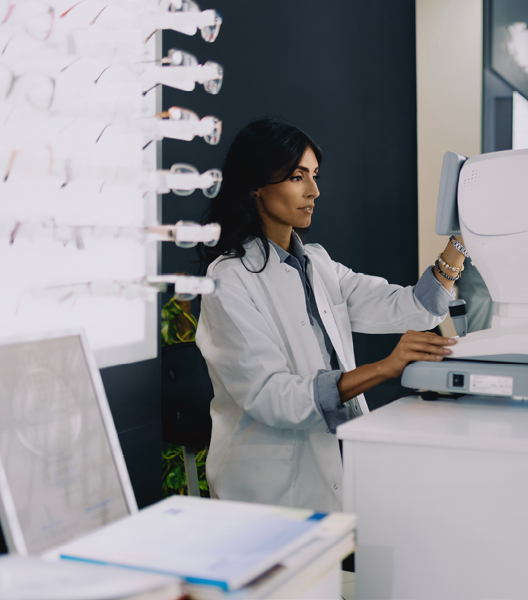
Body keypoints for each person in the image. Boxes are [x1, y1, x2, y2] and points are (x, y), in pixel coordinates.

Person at [195, 116, 468, 513]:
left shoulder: (318, 263)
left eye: (315, 175)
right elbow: (273, 396)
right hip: (265, 491)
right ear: (256, 185)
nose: (314, 190)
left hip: (335, 459)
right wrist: (384, 368)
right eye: (297, 176)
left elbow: (411, 306)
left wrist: (461, 241)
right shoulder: (228, 280)